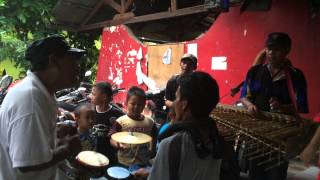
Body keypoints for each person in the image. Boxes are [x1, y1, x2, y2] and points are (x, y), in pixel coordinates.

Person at [0, 35, 84, 180]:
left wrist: (52, 132)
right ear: (54, 61)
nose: (78, 66)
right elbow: (26, 163)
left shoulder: (42, 92)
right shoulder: (31, 99)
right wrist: (66, 150)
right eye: (73, 60)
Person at [240, 32, 309, 180]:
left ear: (286, 51)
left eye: (277, 49)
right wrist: (250, 105)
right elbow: (244, 96)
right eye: (269, 49)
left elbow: (301, 106)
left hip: (281, 134)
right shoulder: (255, 71)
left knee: (276, 172)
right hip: (256, 131)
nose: (272, 53)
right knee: (255, 171)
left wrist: (283, 108)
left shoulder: (296, 76)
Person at [135, 71, 223, 180]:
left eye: (176, 98)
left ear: (184, 105)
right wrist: (151, 172)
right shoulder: (218, 141)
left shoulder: (172, 145)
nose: (174, 103)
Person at [109, 86, 158, 169]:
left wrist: (152, 149)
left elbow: (154, 136)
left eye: (140, 105)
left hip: (143, 162)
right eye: (133, 104)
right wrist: (118, 145)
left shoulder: (150, 122)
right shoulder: (121, 121)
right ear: (126, 103)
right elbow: (112, 138)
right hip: (124, 162)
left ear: (144, 105)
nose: (136, 107)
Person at [89, 81, 124, 164]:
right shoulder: (89, 112)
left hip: (110, 156)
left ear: (104, 97)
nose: (90, 96)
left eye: (93, 94)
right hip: (92, 154)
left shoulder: (118, 115)